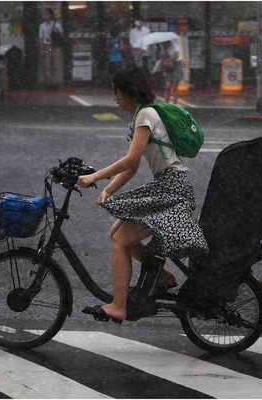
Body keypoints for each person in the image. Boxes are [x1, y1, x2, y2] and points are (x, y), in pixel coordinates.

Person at [77, 66, 208, 324]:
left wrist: (95, 177)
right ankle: (164, 278)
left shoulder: (145, 115)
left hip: (171, 188)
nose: (114, 98)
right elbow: (134, 167)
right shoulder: (142, 115)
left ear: (128, 93)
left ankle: (118, 306)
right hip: (167, 185)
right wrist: (109, 189)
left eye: (116, 92)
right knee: (116, 233)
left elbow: (130, 159)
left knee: (121, 241)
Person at [38, 8, 63, 88]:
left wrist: (57, 31)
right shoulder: (42, 26)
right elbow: (41, 38)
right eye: (45, 14)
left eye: (47, 14)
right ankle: (48, 82)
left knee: (55, 65)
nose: (46, 16)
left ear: (51, 15)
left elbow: (62, 34)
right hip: (47, 45)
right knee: (47, 64)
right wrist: (42, 49)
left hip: (55, 46)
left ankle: (55, 82)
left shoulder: (56, 24)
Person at [160, 40, 184, 104]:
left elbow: (177, 55)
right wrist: (164, 62)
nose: (164, 45)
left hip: (177, 65)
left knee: (175, 86)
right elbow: (162, 56)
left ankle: (175, 103)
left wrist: (168, 60)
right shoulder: (163, 48)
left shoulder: (174, 46)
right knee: (167, 86)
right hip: (169, 67)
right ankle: (166, 103)